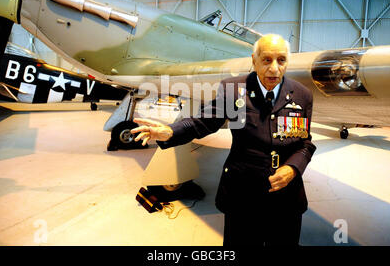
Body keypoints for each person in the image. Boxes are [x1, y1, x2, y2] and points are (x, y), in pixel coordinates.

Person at [130, 34, 316, 246]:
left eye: (281, 60)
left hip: (286, 198)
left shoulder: (302, 95)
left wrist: (293, 168)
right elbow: (203, 122)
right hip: (243, 195)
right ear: (254, 60)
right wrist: (170, 132)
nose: (274, 68)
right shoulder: (233, 89)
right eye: (266, 60)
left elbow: (305, 144)